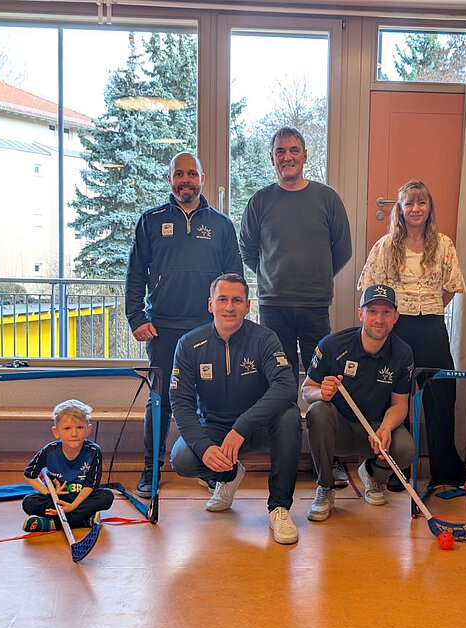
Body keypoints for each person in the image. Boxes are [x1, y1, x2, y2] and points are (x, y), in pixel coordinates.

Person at [239, 126, 352, 486]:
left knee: (324, 382)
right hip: (274, 307)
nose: (287, 157)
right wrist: (274, 276)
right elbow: (248, 251)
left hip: (316, 306)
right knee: (280, 383)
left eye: (294, 150)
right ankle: (283, 457)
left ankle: (327, 461)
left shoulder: (327, 199)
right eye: (280, 151)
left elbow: (343, 249)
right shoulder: (260, 201)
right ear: (272, 158)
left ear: (305, 156)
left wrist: (316, 276)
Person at [126, 152, 242, 498]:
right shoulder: (151, 220)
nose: (185, 180)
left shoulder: (221, 224)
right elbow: (135, 275)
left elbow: (233, 278)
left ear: (202, 179)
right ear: (170, 180)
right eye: (179, 174)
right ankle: (151, 470)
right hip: (162, 328)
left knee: (208, 402)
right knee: (159, 400)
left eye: (192, 174)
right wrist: (136, 318)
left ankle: (210, 466)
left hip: (208, 328)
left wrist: (229, 317)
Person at [169, 273, 302, 545]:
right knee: (182, 458)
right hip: (215, 427)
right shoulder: (189, 344)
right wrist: (204, 446)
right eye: (223, 299)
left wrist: (242, 427)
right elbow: (181, 403)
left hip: (258, 425)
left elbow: (286, 386)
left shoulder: (264, 339)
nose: (230, 307)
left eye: (237, 300)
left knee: (289, 416)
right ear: (210, 304)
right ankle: (229, 475)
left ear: (248, 305)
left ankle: (279, 508)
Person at [358, 179, 466, 491]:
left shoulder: (444, 244)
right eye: (409, 203)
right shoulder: (385, 246)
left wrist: (429, 305)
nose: (416, 209)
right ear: (400, 209)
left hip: (432, 326)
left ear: (429, 207)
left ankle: (446, 467)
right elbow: (369, 289)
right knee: (397, 397)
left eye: (421, 203)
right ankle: (396, 468)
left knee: (442, 396)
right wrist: (394, 314)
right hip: (399, 329)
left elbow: (450, 287)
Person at [302, 284, 415, 522]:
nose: (379, 319)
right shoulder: (332, 345)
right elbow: (306, 391)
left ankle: (372, 473)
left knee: (405, 449)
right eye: (372, 311)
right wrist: (322, 392)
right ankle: (325, 487)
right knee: (318, 411)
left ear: (396, 317)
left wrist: (386, 427)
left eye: (386, 312)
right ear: (360, 313)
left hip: (373, 430)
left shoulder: (403, 353)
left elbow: (400, 404)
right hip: (339, 429)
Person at [21, 400, 115, 531]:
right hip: (57, 499)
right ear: (56, 432)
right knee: (29, 502)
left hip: (81, 498)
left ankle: (52, 524)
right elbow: (29, 474)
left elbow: (90, 485)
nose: (74, 434)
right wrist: (48, 491)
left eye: (80, 427)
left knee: (106, 496)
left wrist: (73, 506)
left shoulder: (94, 451)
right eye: (67, 428)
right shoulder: (49, 451)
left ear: (88, 429)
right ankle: (83, 519)